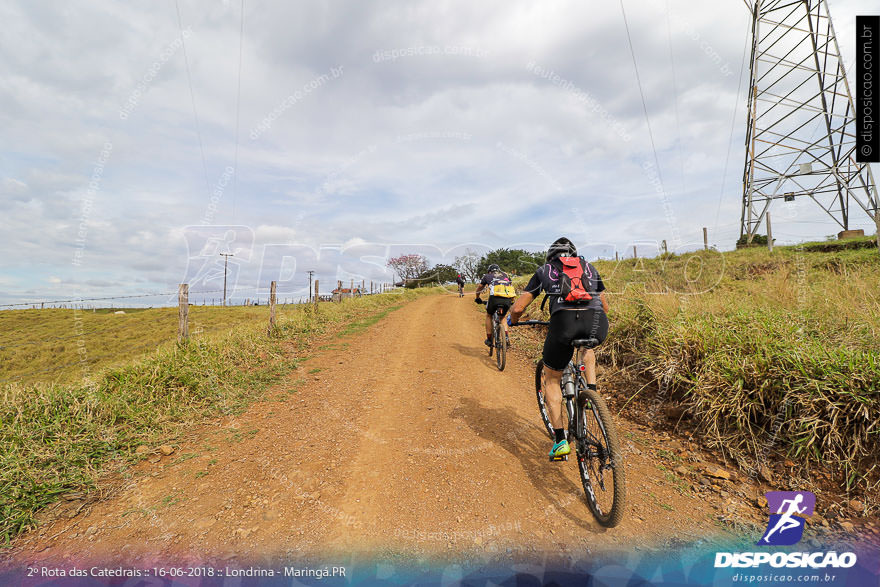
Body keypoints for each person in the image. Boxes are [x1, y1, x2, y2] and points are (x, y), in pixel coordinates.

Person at [507, 237, 609, 459]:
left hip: (564, 325)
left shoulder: (544, 270)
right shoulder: (589, 267)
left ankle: (561, 440)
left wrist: (513, 320)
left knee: (552, 378)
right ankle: (591, 392)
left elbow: (519, 306)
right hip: (597, 322)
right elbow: (605, 305)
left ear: (550, 256)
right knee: (587, 346)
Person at [474, 264, 516, 347]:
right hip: (507, 298)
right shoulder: (505, 275)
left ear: (489, 271)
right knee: (503, 317)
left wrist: (477, 297)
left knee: (489, 315)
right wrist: (511, 301)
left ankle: (489, 339)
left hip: (495, 298)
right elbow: (510, 287)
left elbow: (480, 287)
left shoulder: (487, 276)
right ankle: (506, 338)